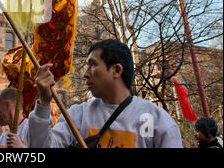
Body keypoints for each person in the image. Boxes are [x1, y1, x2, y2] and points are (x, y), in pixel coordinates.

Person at [28, 39, 183, 148]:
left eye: (93, 65)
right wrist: (43, 103)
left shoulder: (157, 119)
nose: (85, 74)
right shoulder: (77, 115)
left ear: (116, 70)